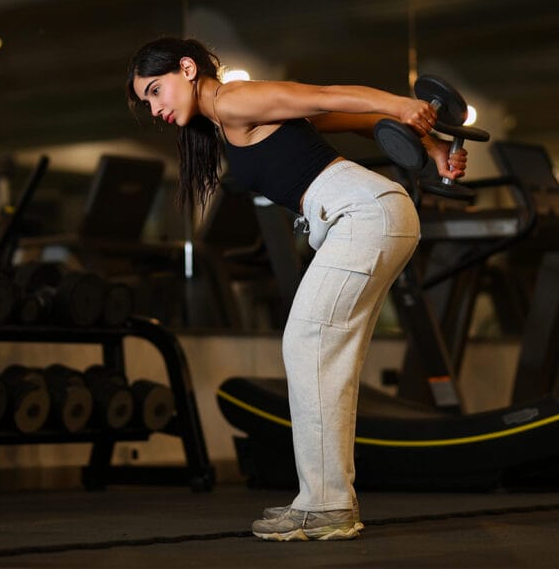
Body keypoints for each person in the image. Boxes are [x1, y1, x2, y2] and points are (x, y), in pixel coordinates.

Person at [126, 37, 467, 541]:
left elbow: (327, 95)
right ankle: (329, 502)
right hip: (371, 213)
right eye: (147, 101)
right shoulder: (225, 120)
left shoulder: (234, 100)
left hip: (363, 213)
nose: (156, 108)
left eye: (156, 90)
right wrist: (434, 148)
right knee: (327, 353)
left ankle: (325, 504)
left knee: (307, 344)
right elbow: (349, 120)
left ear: (187, 67)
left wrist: (401, 104)